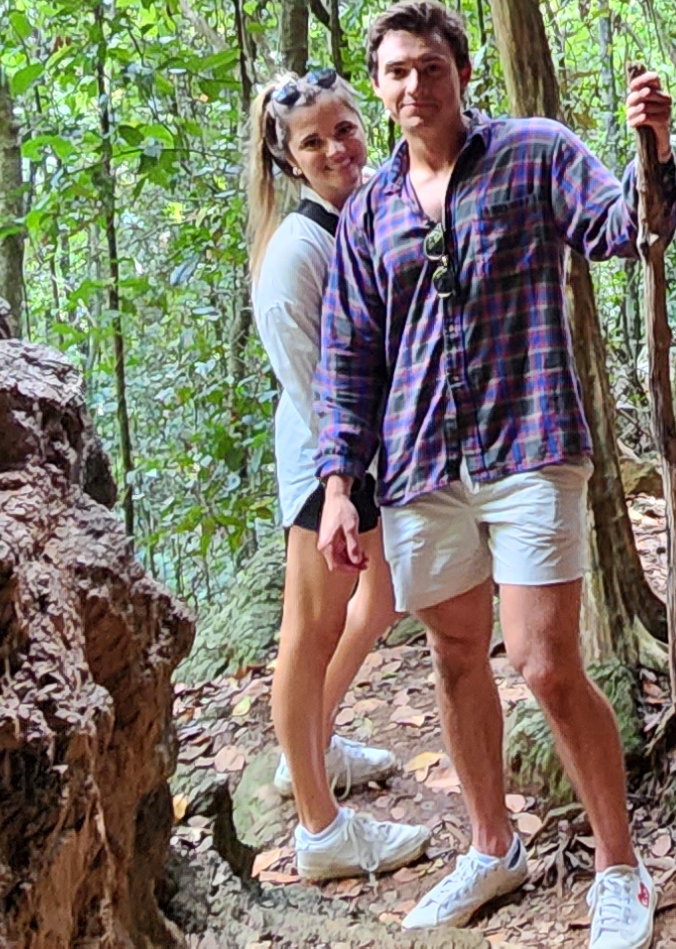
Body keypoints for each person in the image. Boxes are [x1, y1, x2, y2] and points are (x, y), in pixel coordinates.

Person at [313, 0, 674, 949]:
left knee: (546, 662)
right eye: (396, 73)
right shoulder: (370, 212)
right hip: (420, 462)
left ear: (462, 74)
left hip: (531, 441)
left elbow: (628, 231)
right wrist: (341, 484)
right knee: (455, 655)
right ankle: (491, 846)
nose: (414, 87)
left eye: (430, 68)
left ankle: (620, 869)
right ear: (379, 87)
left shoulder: (536, 152)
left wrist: (652, 152)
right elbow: (348, 357)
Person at [245, 68, 435, 883]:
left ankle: (312, 744)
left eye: (344, 130)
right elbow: (306, 376)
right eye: (312, 142)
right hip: (327, 464)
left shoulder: (363, 213)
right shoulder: (296, 251)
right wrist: (343, 482)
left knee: (379, 601)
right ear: (287, 160)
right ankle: (319, 827)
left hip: (372, 453)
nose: (335, 150)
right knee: (311, 627)